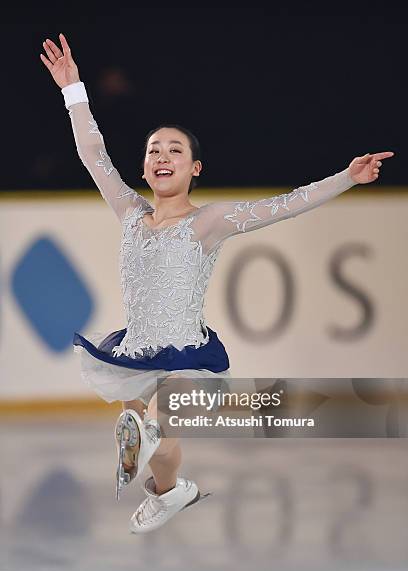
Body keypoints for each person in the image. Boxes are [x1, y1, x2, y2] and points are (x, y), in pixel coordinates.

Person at [40, 33, 394, 534]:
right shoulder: (130, 213)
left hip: (188, 354)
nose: (162, 156)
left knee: (158, 419)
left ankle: (145, 439)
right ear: (144, 165)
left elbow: (285, 204)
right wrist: (73, 89)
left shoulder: (210, 221)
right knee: (161, 450)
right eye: (153, 150)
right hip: (135, 351)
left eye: (175, 151)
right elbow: (93, 154)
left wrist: (346, 178)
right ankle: (171, 493)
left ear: (195, 168)